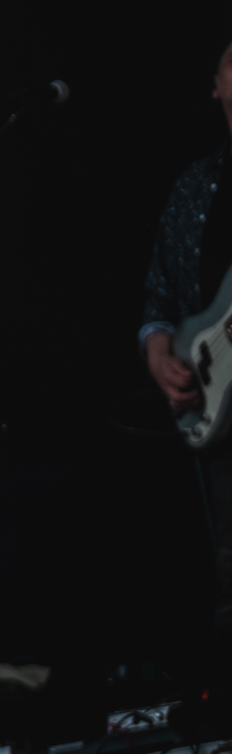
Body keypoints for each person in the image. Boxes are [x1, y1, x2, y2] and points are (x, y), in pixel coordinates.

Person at [140, 37, 232, 707]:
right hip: (217, 407)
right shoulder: (197, 185)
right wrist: (158, 351)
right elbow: (160, 299)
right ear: (215, 87)